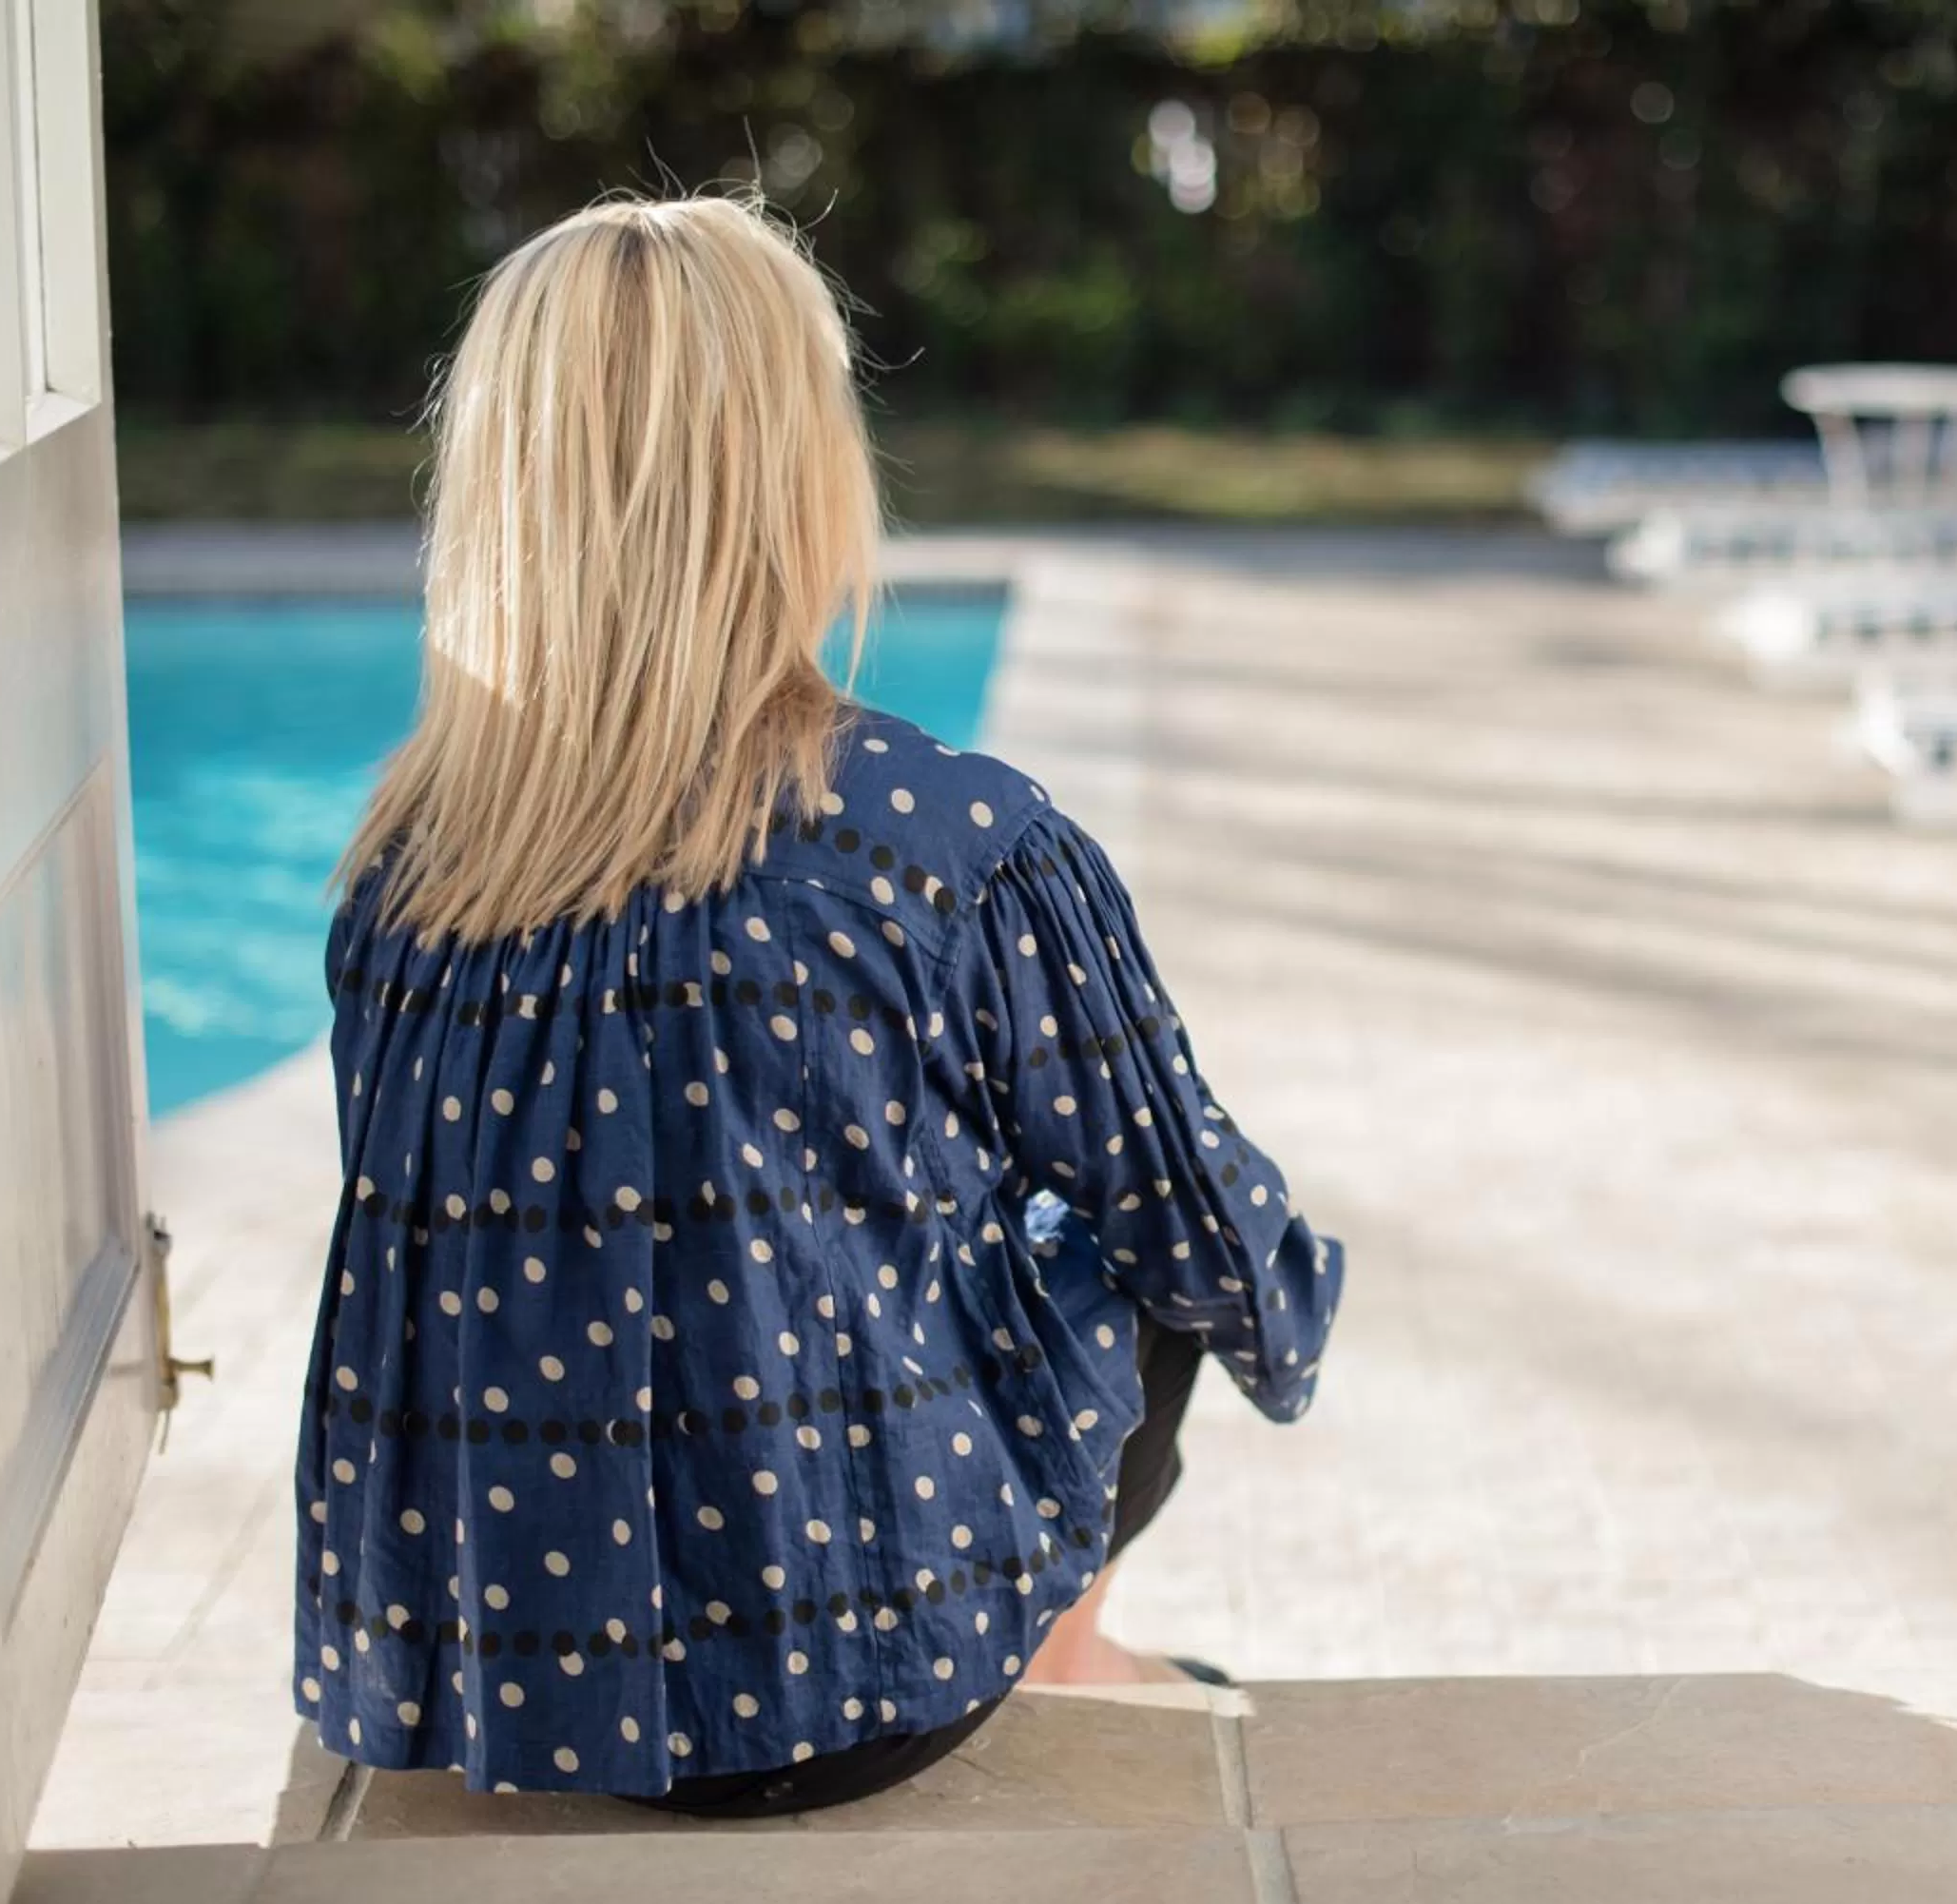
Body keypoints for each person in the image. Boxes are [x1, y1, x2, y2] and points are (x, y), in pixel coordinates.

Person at [293, 192, 1343, 1816]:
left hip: (506, 1695)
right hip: (868, 1696)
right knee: (1154, 1239)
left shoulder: (402, 877)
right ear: (800, 479)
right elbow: (1197, 1225)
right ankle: (1073, 1646)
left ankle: (1041, 1637)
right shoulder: (948, 843)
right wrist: (1289, 1304)